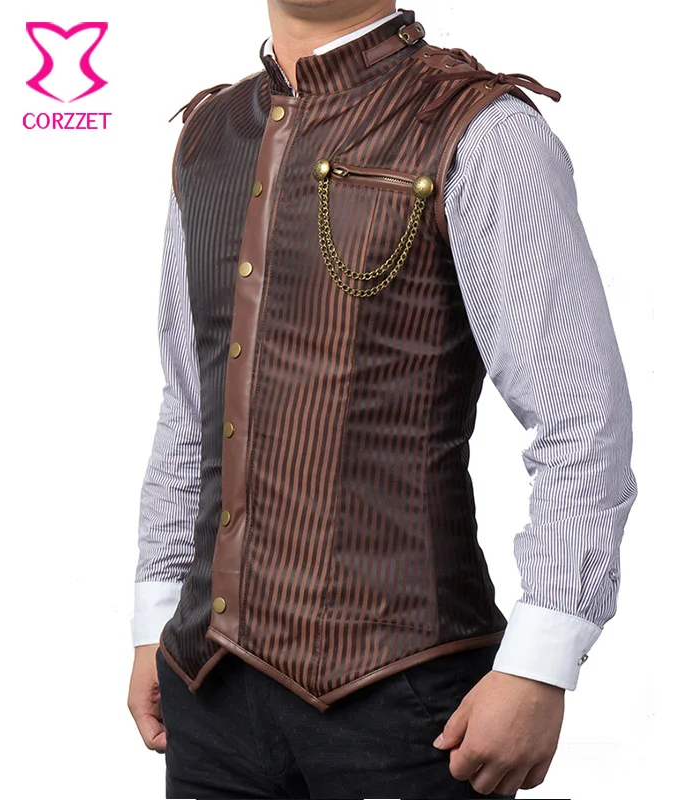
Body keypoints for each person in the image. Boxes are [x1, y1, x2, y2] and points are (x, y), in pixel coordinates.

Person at [127, 2, 638, 798]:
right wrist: (156, 616)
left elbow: (579, 416)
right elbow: (191, 404)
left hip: (406, 697)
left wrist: (542, 660)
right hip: (208, 693)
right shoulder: (208, 137)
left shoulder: (480, 127)